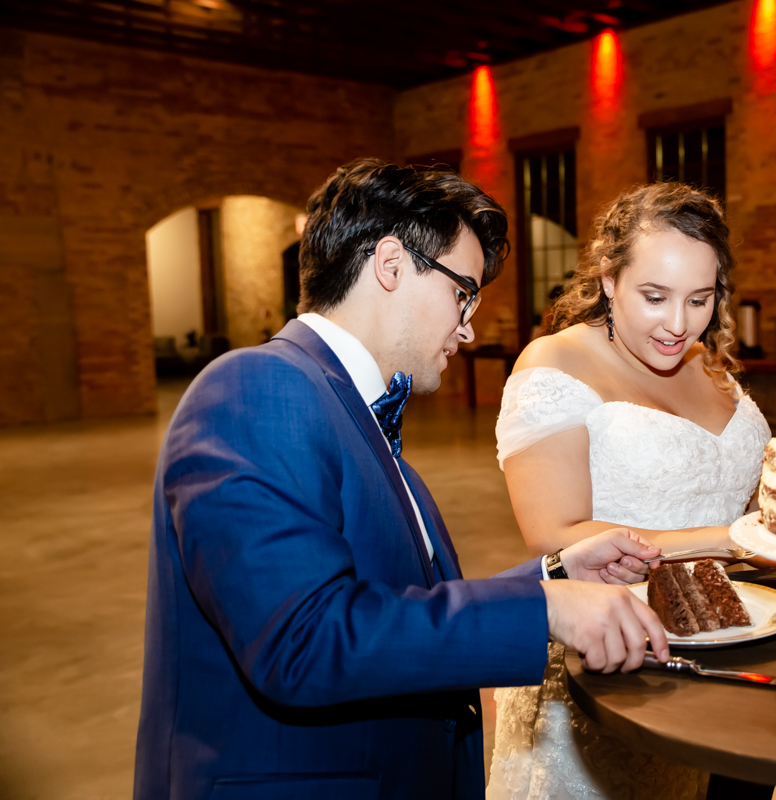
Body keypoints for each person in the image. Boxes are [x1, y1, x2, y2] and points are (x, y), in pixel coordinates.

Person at [133, 158, 671, 800]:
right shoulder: (254, 388)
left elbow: (388, 603)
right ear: (390, 265)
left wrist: (553, 576)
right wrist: (546, 610)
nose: (468, 327)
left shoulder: (347, 408)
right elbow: (302, 642)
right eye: (462, 291)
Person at [487, 183, 776, 800]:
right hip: (610, 665)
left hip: (731, 643)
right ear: (608, 278)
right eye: (654, 296)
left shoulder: (708, 363)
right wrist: (741, 540)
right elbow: (555, 535)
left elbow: (737, 491)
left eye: (699, 299)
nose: (678, 324)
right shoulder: (555, 365)